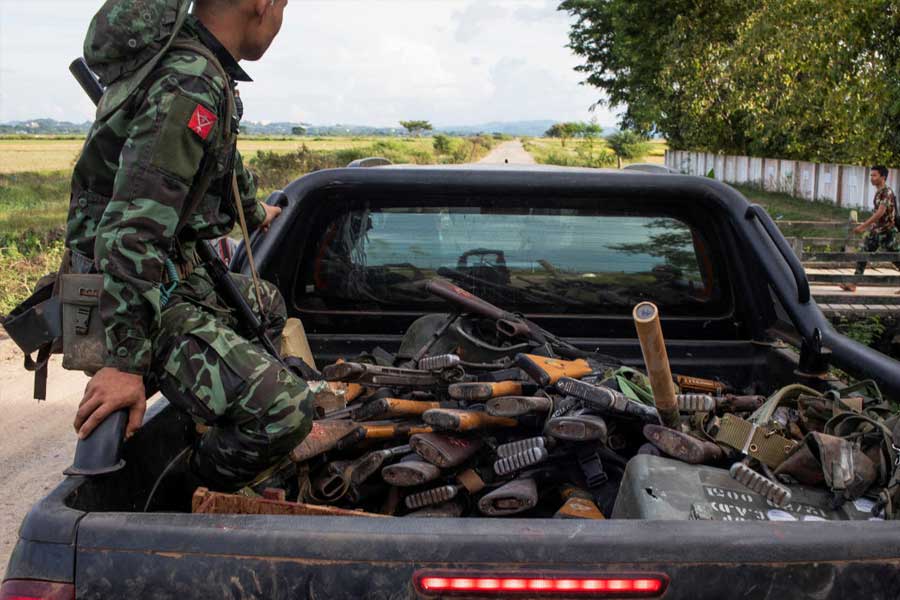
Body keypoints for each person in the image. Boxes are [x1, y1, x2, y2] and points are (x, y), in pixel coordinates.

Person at [67, 0, 313, 491]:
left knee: (264, 303)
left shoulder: (203, 69)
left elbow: (217, 166)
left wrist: (255, 209)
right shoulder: (190, 80)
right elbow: (133, 229)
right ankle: (190, 491)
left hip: (162, 276)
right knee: (284, 410)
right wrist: (124, 363)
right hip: (122, 297)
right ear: (261, 4)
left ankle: (215, 422)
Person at [841, 165, 900, 292]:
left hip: (887, 232)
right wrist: (871, 227)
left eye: (874, 175)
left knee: (895, 258)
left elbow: (880, 213)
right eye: (871, 175)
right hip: (877, 232)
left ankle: (853, 283)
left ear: (883, 177)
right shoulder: (879, 192)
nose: (871, 178)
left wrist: (863, 226)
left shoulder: (887, 192)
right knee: (864, 254)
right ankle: (853, 283)